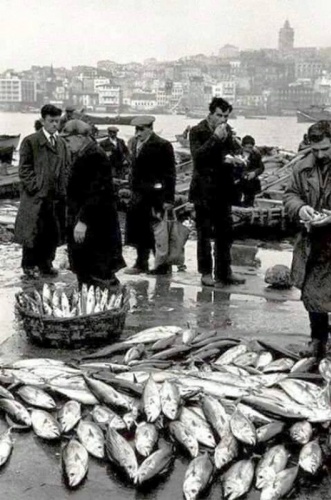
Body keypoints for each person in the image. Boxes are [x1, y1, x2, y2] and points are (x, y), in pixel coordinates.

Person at [284, 120, 331, 360]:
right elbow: (290, 194)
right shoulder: (302, 168)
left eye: (326, 149)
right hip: (313, 241)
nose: (321, 155)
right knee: (312, 295)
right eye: (316, 150)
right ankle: (318, 342)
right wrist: (301, 209)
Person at [189, 97, 246, 288]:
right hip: (204, 190)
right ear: (211, 114)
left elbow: (231, 151)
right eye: (219, 115)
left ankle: (224, 271)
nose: (223, 120)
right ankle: (206, 272)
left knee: (225, 233)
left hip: (223, 189)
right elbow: (198, 157)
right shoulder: (198, 131)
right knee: (204, 233)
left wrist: (237, 155)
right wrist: (215, 138)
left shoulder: (227, 130)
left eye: (226, 116)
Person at [62, 119, 126, 288]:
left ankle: (107, 307)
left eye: (68, 140)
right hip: (90, 221)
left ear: (80, 137)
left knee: (99, 271)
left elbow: (97, 192)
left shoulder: (95, 156)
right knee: (86, 268)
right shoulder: (86, 154)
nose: (67, 145)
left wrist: (83, 221)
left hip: (96, 224)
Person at [14, 104, 69, 279]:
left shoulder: (61, 143)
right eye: (51, 121)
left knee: (51, 233)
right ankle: (29, 266)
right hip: (36, 198)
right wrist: (35, 188)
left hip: (55, 197)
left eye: (57, 121)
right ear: (43, 121)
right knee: (32, 232)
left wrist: (63, 189)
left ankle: (46, 264)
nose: (55, 125)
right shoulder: (31, 141)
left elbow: (66, 168)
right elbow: (24, 169)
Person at [125, 115, 176, 275]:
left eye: (141, 129)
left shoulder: (162, 145)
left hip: (155, 196)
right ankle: (141, 262)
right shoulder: (134, 144)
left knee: (157, 231)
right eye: (136, 130)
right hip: (138, 195)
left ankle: (162, 265)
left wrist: (169, 199)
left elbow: (170, 173)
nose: (138, 133)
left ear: (150, 128)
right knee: (140, 231)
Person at [238, 135, 265, 207]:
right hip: (238, 181)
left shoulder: (256, 155)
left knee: (250, 194)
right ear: (243, 146)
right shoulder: (237, 154)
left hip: (251, 183)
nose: (248, 150)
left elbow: (261, 168)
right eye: (246, 147)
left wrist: (254, 173)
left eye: (250, 148)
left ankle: (249, 205)